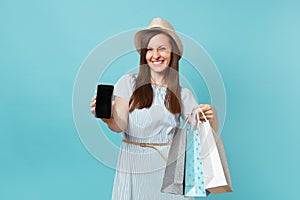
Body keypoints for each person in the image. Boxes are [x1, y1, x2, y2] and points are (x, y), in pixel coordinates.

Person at [90, 17, 218, 200]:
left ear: (172, 53)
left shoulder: (183, 94)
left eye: (162, 48)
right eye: (149, 49)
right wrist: (107, 118)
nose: (155, 54)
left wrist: (211, 117)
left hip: (168, 172)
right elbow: (119, 125)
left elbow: (204, 133)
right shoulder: (128, 83)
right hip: (132, 167)